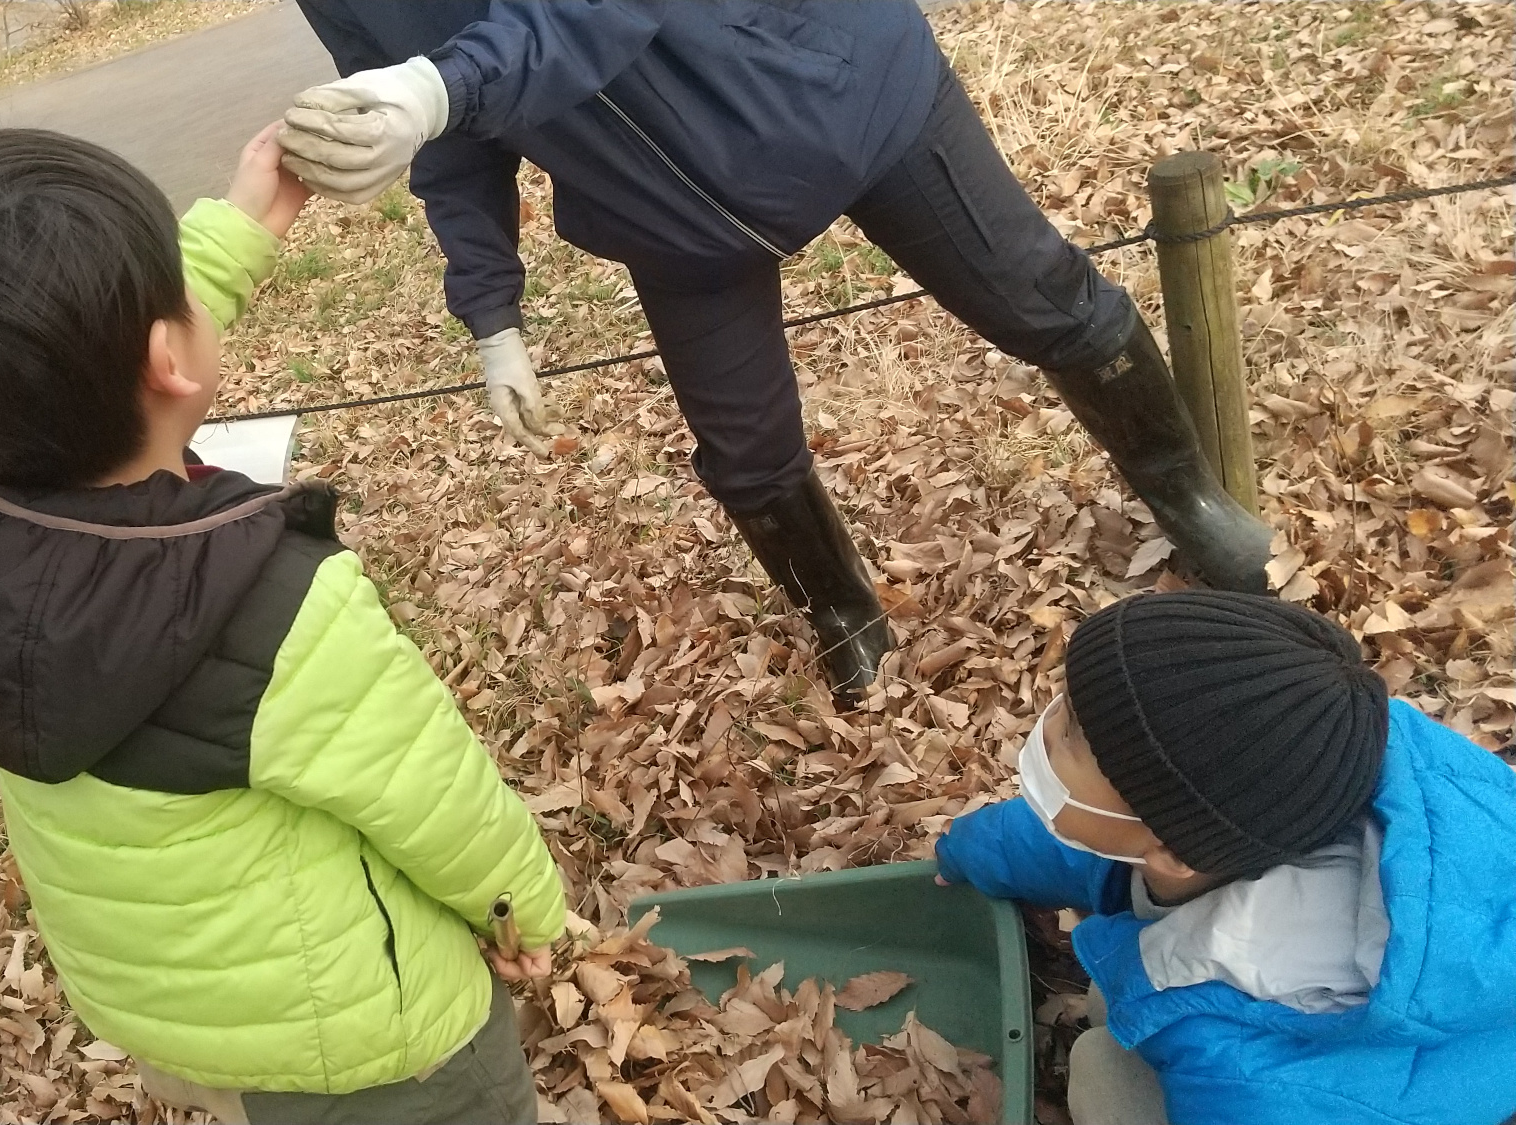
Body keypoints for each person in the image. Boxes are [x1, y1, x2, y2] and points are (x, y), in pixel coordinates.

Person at [0, 125, 564, 1125]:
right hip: (372, 1046)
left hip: (193, 1016)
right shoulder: (273, 609)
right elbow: (436, 803)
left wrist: (245, 219)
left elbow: (79, 355)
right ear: (164, 353)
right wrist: (525, 913)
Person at [275, 0, 1274, 702]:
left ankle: (1185, 497)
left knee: (1039, 301)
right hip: (660, 210)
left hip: (839, 85)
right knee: (744, 450)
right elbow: (447, 140)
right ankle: (843, 615)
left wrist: (439, 84)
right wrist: (491, 313)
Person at [933, 590, 1516, 1125]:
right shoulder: (1299, 755)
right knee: (1115, 995)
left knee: (1101, 1070)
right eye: (1068, 706)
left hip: (1351, 1080)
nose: (1047, 724)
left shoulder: (1251, 1081)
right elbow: (1066, 848)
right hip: (1446, 978)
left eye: (1072, 737)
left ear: (1170, 852)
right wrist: (964, 852)